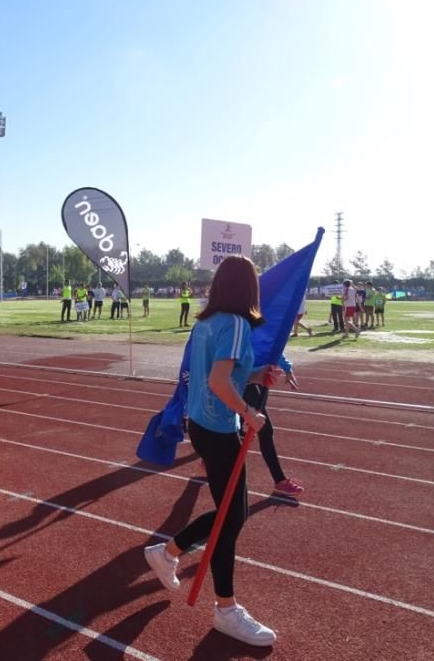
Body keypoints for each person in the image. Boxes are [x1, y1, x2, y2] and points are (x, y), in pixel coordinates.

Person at [143, 255, 276, 647]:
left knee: (230, 515)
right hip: (219, 428)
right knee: (231, 519)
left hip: (202, 424)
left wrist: (256, 375)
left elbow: (221, 373)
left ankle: (169, 553)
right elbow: (219, 381)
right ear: (248, 288)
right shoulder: (235, 324)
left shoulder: (206, 322)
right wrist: (250, 412)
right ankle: (224, 608)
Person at [243, 355, 303, 497]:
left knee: (250, 430)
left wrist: (287, 369)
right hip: (243, 381)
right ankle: (279, 480)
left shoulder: (264, 333)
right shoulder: (245, 333)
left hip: (260, 381)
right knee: (263, 430)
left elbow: (275, 346)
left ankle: (209, 461)